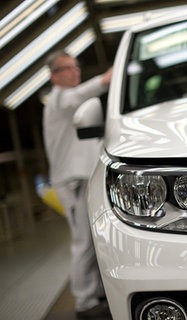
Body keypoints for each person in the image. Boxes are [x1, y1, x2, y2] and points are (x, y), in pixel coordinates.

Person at [43, 50, 112, 319]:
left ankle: (94, 293)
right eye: (68, 68)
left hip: (81, 178)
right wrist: (104, 80)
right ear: (54, 75)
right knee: (82, 241)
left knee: (91, 240)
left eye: (76, 66)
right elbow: (77, 96)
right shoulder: (60, 99)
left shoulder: (69, 101)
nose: (75, 71)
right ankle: (84, 302)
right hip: (70, 182)